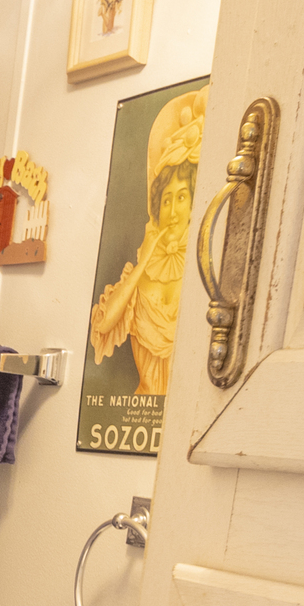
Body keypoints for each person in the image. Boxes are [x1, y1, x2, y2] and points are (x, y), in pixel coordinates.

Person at [88, 86, 206, 397]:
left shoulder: (203, 272)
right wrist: (144, 262)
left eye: (182, 197)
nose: (173, 210)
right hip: (139, 410)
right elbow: (104, 326)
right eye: (166, 200)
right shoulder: (137, 277)